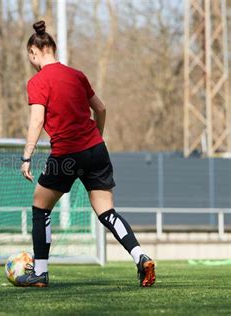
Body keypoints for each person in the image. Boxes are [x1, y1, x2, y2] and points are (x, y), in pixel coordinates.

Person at [16, 21, 156, 288]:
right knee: (107, 212)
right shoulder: (77, 75)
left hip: (66, 154)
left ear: (34, 52)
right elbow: (100, 109)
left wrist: (27, 156)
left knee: (40, 207)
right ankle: (141, 256)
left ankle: (40, 272)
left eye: (30, 57)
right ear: (54, 49)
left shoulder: (37, 81)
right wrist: (97, 139)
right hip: (96, 150)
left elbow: (36, 120)